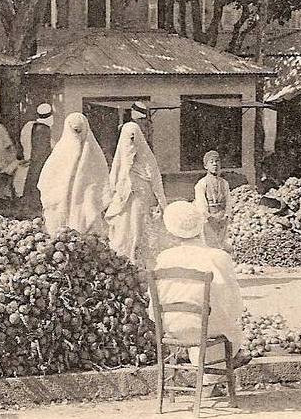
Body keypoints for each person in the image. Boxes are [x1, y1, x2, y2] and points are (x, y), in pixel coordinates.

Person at [152, 201, 250, 370]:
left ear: (171, 232)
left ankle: (206, 381)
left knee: (209, 328)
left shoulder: (164, 258)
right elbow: (234, 304)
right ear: (201, 227)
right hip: (207, 327)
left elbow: (154, 303)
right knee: (227, 331)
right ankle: (209, 379)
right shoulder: (218, 257)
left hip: (171, 325)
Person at [38, 112, 112, 237]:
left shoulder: (93, 152)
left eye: (79, 131)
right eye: (74, 131)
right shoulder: (60, 151)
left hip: (85, 199)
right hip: (62, 199)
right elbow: (47, 177)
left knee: (85, 229)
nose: (77, 135)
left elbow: (101, 176)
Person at [105, 120, 168, 267]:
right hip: (125, 202)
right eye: (129, 138)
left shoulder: (146, 157)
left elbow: (155, 179)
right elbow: (114, 180)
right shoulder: (120, 159)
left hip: (142, 199)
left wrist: (161, 202)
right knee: (124, 231)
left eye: (134, 138)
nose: (131, 143)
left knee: (140, 231)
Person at [19, 103, 54, 217]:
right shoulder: (42, 129)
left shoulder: (32, 127)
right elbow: (42, 150)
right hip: (40, 163)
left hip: (34, 162)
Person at [193, 150, 232, 250]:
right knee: (210, 247)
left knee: (221, 246)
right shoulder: (201, 183)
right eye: (211, 162)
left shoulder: (224, 183)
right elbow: (201, 205)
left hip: (222, 220)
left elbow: (228, 201)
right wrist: (210, 218)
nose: (215, 164)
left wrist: (226, 217)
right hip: (209, 220)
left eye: (217, 161)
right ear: (206, 166)